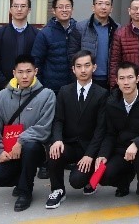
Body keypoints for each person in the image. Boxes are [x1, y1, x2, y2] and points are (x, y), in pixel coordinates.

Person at [0, 54, 56, 212]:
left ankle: (25, 192)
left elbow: (44, 127)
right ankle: (21, 178)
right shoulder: (3, 96)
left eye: (29, 71)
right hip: (9, 151)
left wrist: (20, 141)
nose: (24, 76)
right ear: (14, 73)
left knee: (30, 148)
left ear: (35, 71)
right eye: (20, 72)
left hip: (36, 149)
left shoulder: (47, 95)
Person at [96, 61, 139, 211]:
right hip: (122, 151)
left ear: (137, 78)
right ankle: (124, 180)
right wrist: (103, 154)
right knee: (103, 176)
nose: (126, 82)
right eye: (122, 78)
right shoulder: (111, 102)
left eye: (130, 77)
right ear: (116, 81)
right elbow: (110, 133)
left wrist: (137, 144)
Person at [44, 50, 108, 209]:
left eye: (87, 65)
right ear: (73, 69)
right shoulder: (64, 91)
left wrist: (89, 155)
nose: (83, 70)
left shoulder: (102, 94)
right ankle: (57, 190)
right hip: (70, 144)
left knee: (76, 181)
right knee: (53, 150)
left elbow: (101, 129)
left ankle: (91, 178)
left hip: (89, 147)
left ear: (94, 67)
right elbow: (58, 120)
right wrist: (57, 139)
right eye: (79, 66)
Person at [0, 0, 37, 101]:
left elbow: (38, 60)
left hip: (30, 89)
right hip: (2, 89)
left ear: (29, 10)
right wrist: (5, 84)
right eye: (15, 6)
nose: (19, 9)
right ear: (10, 9)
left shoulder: (37, 34)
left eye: (23, 6)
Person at [31, 0, 82, 93]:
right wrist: (39, 87)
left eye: (67, 7)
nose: (64, 10)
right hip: (51, 87)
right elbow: (36, 61)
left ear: (72, 10)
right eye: (60, 7)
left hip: (74, 86)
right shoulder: (45, 33)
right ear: (53, 11)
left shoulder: (79, 29)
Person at [77, 0, 119, 87]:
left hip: (110, 79)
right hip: (87, 78)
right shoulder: (80, 27)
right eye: (100, 3)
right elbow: (73, 54)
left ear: (111, 9)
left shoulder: (118, 29)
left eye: (107, 4)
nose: (103, 7)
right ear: (93, 7)